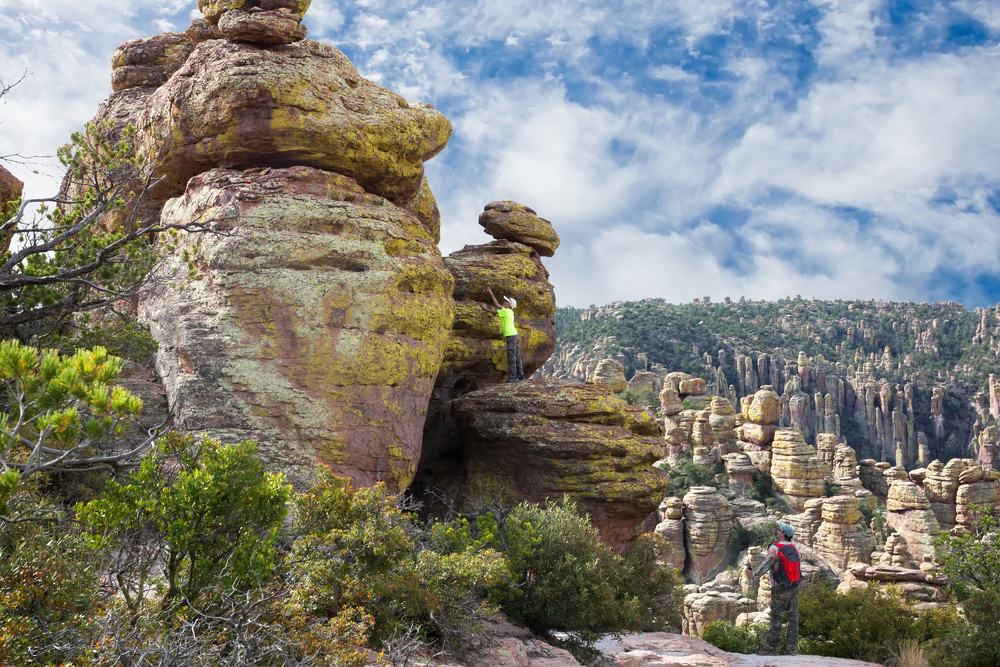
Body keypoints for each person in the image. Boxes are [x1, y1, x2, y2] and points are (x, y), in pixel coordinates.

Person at [745, 521, 801, 655]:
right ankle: (791, 649)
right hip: (793, 587)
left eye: (779, 530)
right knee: (793, 619)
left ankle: (770, 649)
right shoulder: (794, 548)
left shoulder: (775, 548)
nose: (776, 531)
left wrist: (753, 574)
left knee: (776, 618)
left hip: (779, 588)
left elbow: (766, 565)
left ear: (783, 534)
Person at [480, 287, 523, 382]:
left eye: (506, 301)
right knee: (517, 356)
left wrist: (484, 307)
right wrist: (490, 293)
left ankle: (513, 378)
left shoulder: (505, 311)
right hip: (514, 334)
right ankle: (520, 376)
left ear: (509, 305)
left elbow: (493, 311)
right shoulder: (509, 311)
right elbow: (497, 304)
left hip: (510, 336)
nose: (504, 302)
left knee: (511, 356)